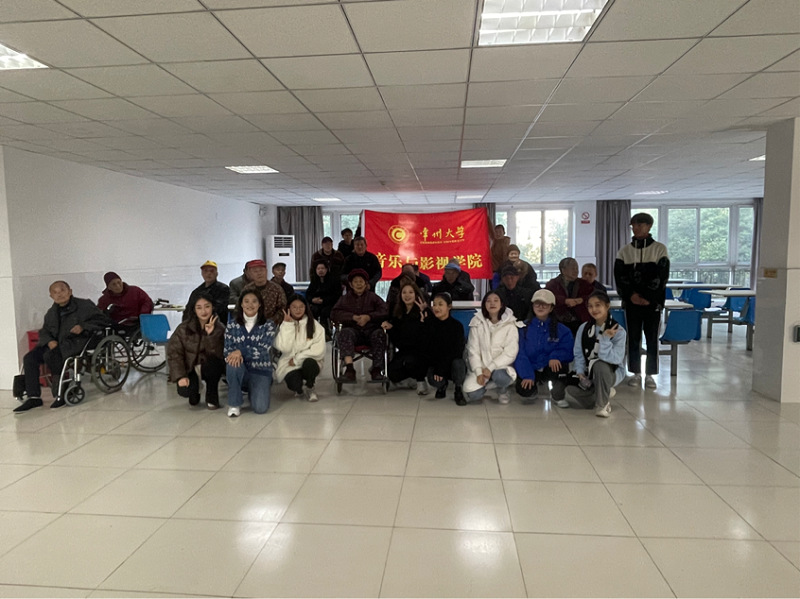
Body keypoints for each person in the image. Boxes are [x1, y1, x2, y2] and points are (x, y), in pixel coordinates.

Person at [14, 281, 111, 412]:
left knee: (53, 356)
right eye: (55, 292)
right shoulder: (51, 312)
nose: (59, 294)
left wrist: (83, 326)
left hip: (75, 342)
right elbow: (44, 331)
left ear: (70, 291)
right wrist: (49, 341)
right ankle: (33, 397)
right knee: (29, 358)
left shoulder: (84, 305)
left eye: (62, 290)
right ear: (51, 296)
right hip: (54, 344)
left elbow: (103, 320)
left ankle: (61, 392)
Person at [614, 212, 670, 390]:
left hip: (652, 304)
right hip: (631, 304)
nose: (636, 228)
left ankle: (651, 374)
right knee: (633, 338)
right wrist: (631, 296)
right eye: (633, 226)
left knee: (652, 338)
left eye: (640, 225)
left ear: (649, 226)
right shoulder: (624, 251)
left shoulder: (659, 249)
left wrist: (648, 297)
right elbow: (620, 277)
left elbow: (662, 277)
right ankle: (635, 372)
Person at [567, 291, 627, 417]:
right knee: (569, 389)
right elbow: (578, 353)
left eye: (598, 305)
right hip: (589, 372)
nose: (594, 309)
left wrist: (605, 339)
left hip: (610, 371)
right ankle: (602, 393)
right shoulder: (584, 328)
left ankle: (602, 405)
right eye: (590, 306)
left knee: (600, 365)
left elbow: (615, 359)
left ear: (607, 306)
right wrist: (580, 372)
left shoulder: (619, 331)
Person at [514, 289, 574, 405]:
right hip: (531, 366)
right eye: (537, 304)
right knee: (525, 391)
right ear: (532, 306)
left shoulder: (562, 330)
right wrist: (527, 375)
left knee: (560, 364)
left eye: (545, 304)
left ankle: (557, 392)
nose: (540, 307)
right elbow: (520, 353)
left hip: (549, 366)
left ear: (551, 308)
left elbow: (568, 350)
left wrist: (555, 356)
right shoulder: (523, 328)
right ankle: (535, 385)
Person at [166, 292, 225, 410]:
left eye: (207, 306)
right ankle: (195, 391)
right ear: (194, 309)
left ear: (213, 307)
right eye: (199, 307)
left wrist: (210, 335)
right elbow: (174, 353)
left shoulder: (220, 328)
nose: (204, 311)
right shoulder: (183, 328)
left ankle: (212, 397)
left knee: (214, 364)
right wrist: (181, 376)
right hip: (190, 367)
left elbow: (220, 354)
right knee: (186, 392)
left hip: (209, 366)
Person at [224, 289, 277, 417]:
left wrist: (240, 351)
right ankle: (234, 403)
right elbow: (227, 351)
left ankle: (254, 389)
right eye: (246, 301)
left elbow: (263, 350)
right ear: (241, 304)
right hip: (240, 369)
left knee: (260, 408)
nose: (250, 305)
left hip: (260, 370)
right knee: (232, 362)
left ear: (259, 304)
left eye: (254, 301)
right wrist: (236, 354)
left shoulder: (269, 325)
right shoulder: (231, 326)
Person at [331, 269, 389, 382]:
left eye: (361, 281)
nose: (358, 284)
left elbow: (385, 311)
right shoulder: (344, 299)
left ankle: (376, 369)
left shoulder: (373, 297)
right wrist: (352, 317)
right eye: (356, 282)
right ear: (351, 285)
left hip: (371, 330)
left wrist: (369, 317)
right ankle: (349, 369)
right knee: (344, 333)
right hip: (353, 331)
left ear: (366, 283)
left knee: (380, 335)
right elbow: (334, 314)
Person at [462, 292, 521, 405]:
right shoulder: (477, 322)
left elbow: (510, 352)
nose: (492, 303)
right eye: (488, 301)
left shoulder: (510, 325)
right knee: (473, 395)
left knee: (500, 376)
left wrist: (490, 367)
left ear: (501, 304)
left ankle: (502, 390)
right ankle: (488, 385)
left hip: (500, 367)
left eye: (495, 300)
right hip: (482, 366)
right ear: (484, 304)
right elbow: (473, 350)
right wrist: (479, 372)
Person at [381, 280, 430, 395]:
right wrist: (390, 328)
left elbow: (426, 335)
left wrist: (424, 320)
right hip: (404, 350)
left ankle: (421, 381)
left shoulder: (422, 311)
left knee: (411, 362)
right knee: (392, 373)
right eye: (404, 292)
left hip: (420, 352)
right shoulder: (398, 313)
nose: (407, 295)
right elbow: (397, 340)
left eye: (410, 292)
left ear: (416, 294)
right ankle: (410, 380)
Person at [275, 294, 326, 402]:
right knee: (294, 383)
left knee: (309, 363)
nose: (298, 310)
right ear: (289, 308)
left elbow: (318, 350)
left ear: (305, 308)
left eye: (301, 307)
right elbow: (284, 348)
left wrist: (297, 359)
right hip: (289, 363)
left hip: (309, 360)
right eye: (294, 307)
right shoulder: (284, 325)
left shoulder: (314, 325)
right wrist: (288, 326)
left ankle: (310, 386)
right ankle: (299, 389)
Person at [424, 292, 467, 405]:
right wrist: (437, 367)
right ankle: (442, 386)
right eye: (434, 304)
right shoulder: (429, 324)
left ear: (449, 306)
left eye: (440, 304)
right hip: (436, 363)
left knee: (459, 363)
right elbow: (428, 349)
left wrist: (442, 368)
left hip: (451, 363)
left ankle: (458, 389)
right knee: (433, 380)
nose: (436, 308)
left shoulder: (457, 326)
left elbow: (457, 351)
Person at [546, 257, 594, 335]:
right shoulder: (553, 284)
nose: (576, 271)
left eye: (577, 268)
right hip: (558, 320)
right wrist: (564, 301)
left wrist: (581, 299)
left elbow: (593, 296)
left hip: (580, 321)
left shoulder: (584, 284)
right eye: (572, 268)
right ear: (563, 270)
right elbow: (548, 296)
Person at [241, 259, 287, 325]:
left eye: (261, 270)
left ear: (266, 271)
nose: (259, 273)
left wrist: (269, 323)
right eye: (255, 271)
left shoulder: (277, 289)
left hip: (272, 325)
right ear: (250, 274)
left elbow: (282, 310)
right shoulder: (247, 289)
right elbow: (240, 308)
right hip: (250, 324)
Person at [306, 260, 342, 337]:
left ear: (326, 269)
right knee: (312, 310)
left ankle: (326, 332)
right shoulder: (314, 281)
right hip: (316, 304)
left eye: (322, 268)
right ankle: (312, 331)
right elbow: (308, 294)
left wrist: (324, 300)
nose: (320, 270)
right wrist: (312, 300)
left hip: (330, 304)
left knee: (325, 312)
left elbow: (337, 295)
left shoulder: (334, 280)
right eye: (318, 269)